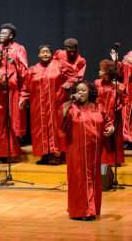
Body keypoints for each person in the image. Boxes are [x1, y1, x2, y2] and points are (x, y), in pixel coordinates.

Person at [62, 81, 114, 221]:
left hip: (94, 151)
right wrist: (69, 102)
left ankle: (91, 209)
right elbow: (60, 122)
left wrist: (110, 128)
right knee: (80, 178)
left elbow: (108, 121)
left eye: (83, 90)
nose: (81, 93)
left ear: (90, 92)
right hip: (76, 151)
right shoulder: (71, 108)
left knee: (93, 178)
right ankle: (82, 211)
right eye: (78, 90)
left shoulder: (98, 107)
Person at [19, 45, 77, 165]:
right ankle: (45, 155)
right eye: (42, 52)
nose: (45, 54)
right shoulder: (33, 70)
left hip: (56, 104)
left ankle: (57, 155)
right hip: (38, 107)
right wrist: (23, 99)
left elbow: (74, 75)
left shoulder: (60, 65)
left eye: (47, 52)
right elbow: (25, 88)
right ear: (38, 55)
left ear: (51, 54)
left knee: (57, 130)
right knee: (40, 130)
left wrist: (69, 83)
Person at [0, 23, 28, 142]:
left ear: (11, 36)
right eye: (0, 33)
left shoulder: (19, 48)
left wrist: (14, 62)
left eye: (4, 33)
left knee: (14, 115)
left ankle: (14, 144)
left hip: (14, 88)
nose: (1, 35)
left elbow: (25, 70)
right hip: (0, 88)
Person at [95, 59, 126, 166]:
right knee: (103, 137)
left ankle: (115, 160)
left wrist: (118, 91)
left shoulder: (118, 86)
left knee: (115, 138)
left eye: (101, 70)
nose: (99, 72)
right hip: (101, 113)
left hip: (114, 114)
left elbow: (124, 100)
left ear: (108, 74)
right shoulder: (97, 83)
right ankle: (105, 160)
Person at [111, 50, 132, 149]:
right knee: (125, 117)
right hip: (128, 94)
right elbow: (121, 70)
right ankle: (127, 139)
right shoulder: (129, 55)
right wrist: (116, 61)